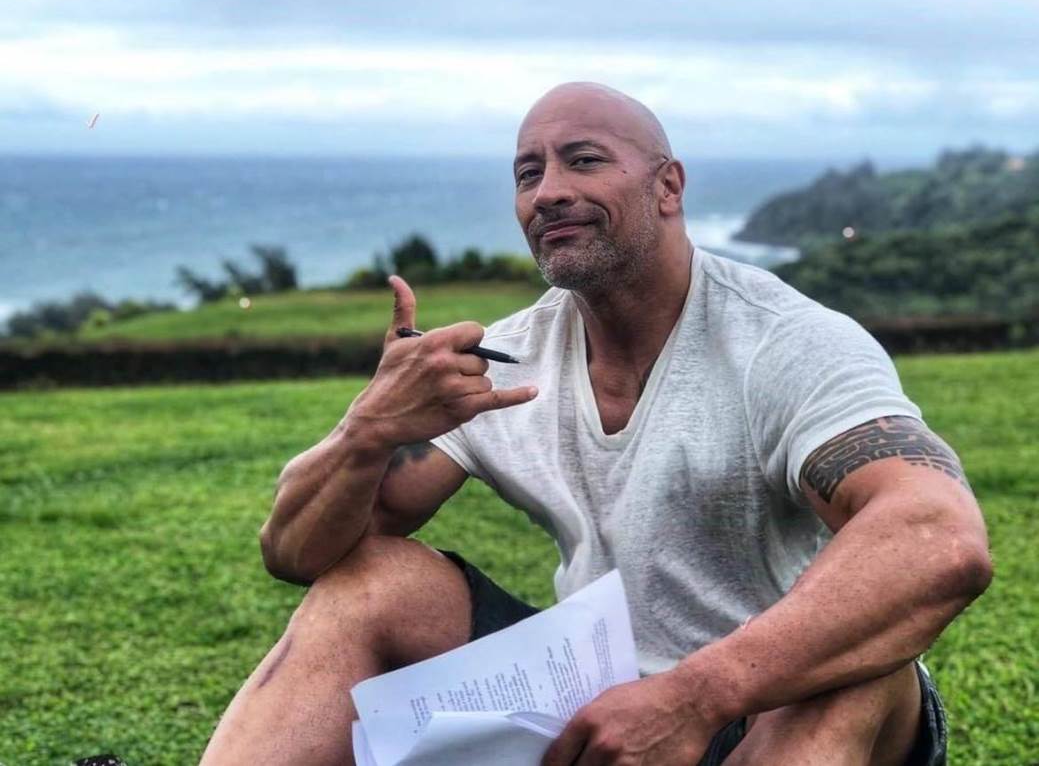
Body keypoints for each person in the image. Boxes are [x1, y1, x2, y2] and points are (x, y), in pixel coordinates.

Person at [200, 82, 991, 765]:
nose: (547, 191)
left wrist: (692, 697)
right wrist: (367, 429)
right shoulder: (506, 360)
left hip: (770, 696)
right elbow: (298, 554)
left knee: (856, 679)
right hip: (598, 694)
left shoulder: (784, 341)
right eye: (527, 173)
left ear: (667, 186)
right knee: (371, 580)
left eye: (583, 160)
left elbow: (938, 540)